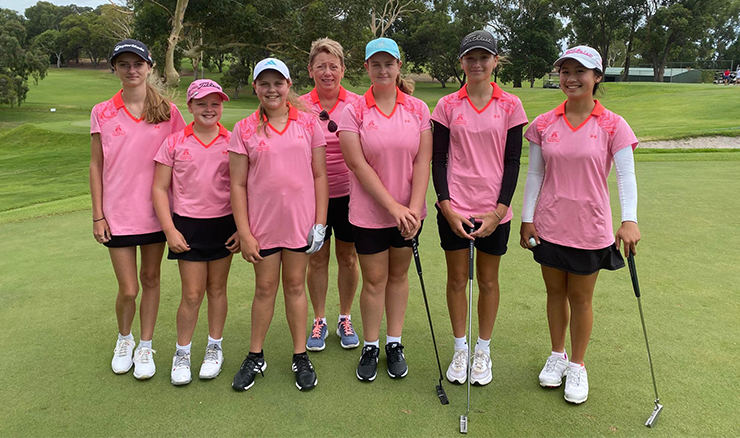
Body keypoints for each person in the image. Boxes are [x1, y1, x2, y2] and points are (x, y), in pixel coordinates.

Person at [520, 45, 641, 404]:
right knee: (555, 294)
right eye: (565, 72)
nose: (571, 79)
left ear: (597, 77)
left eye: (580, 72)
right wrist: (527, 218)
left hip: (591, 226)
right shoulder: (544, 123)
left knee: (581, 298)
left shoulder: (613, 124)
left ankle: (577, 364)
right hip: (550, 223)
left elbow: (625, 175)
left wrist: (629, 219)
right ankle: (556, 355)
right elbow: (536, 173)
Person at [431, 30, 528, 386]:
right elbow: (438, 160)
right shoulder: (447, 105)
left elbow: (513, 161)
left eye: (484, 57)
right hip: (455, 207)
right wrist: (446, 206)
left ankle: (482, 349)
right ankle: (461, 348)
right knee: (457, 279)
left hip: (492, 211)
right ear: (462, 63)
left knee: (487, 280)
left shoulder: (511, 105)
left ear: (495, 61)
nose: (477, 64)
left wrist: (499, 211)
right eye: (470, 58)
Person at [229, 58, 328, 392]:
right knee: (265, 288)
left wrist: (321, 223)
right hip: (263, 226)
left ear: (288, 85)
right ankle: (255, 354)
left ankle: (300, 355)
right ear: (255, 86)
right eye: (264, 84)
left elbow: (319, 175)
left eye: (278, 83)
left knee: (296, 286)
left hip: (300, 224)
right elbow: (238, 185)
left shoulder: (309, 123)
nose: (271, 90)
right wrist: (244, 232)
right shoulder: (243, 129)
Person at [90, 39, 186, 379]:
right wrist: (97, 214)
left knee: (151, 278)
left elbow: (181, 159)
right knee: (129, 288)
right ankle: (125, 339)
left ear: (149, 67)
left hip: (156, 212)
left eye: (138, 64)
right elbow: (96, 165)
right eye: (124, 64)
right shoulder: (101, 111)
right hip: (116, 214)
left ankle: (146, 346)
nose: (132, 70)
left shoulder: (167, 112)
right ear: (115, 68)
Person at [338, 37, 432, 382]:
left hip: (408, 214)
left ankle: (394, 343)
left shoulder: (418, 109)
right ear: (367, 68)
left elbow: (423, 160)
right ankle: (371, 345)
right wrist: (393, 207)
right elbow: (357, 164)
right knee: (374, 280)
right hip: (369, 213)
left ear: (398, 66)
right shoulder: (355, 111)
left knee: (398, 276)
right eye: (375, 64)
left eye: (388, 63)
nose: (382, 70)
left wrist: (412, 208)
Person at [152, 79, 239, 386]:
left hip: (224, 224)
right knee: (191, 294)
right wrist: (170, 230)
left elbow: (246, 189)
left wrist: (243, 228)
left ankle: (214, 347)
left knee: (217, 289)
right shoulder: (174, 142)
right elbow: (159, 188)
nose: (209, 109)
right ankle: (183, 352)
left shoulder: (233, 141)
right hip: (187, 226)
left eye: (215, 103)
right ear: (189, 107)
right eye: (202, 103)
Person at [299, 38, 362, 352]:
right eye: (321, 66)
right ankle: (319, 319)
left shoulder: (358, 103)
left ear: (343, 70)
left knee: (348, 258)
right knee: (318, 259)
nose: (327, 72)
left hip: (351, 196)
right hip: (313, 199)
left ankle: (345, 317)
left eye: (333, 66)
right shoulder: (297, 104)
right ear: (311, 70)